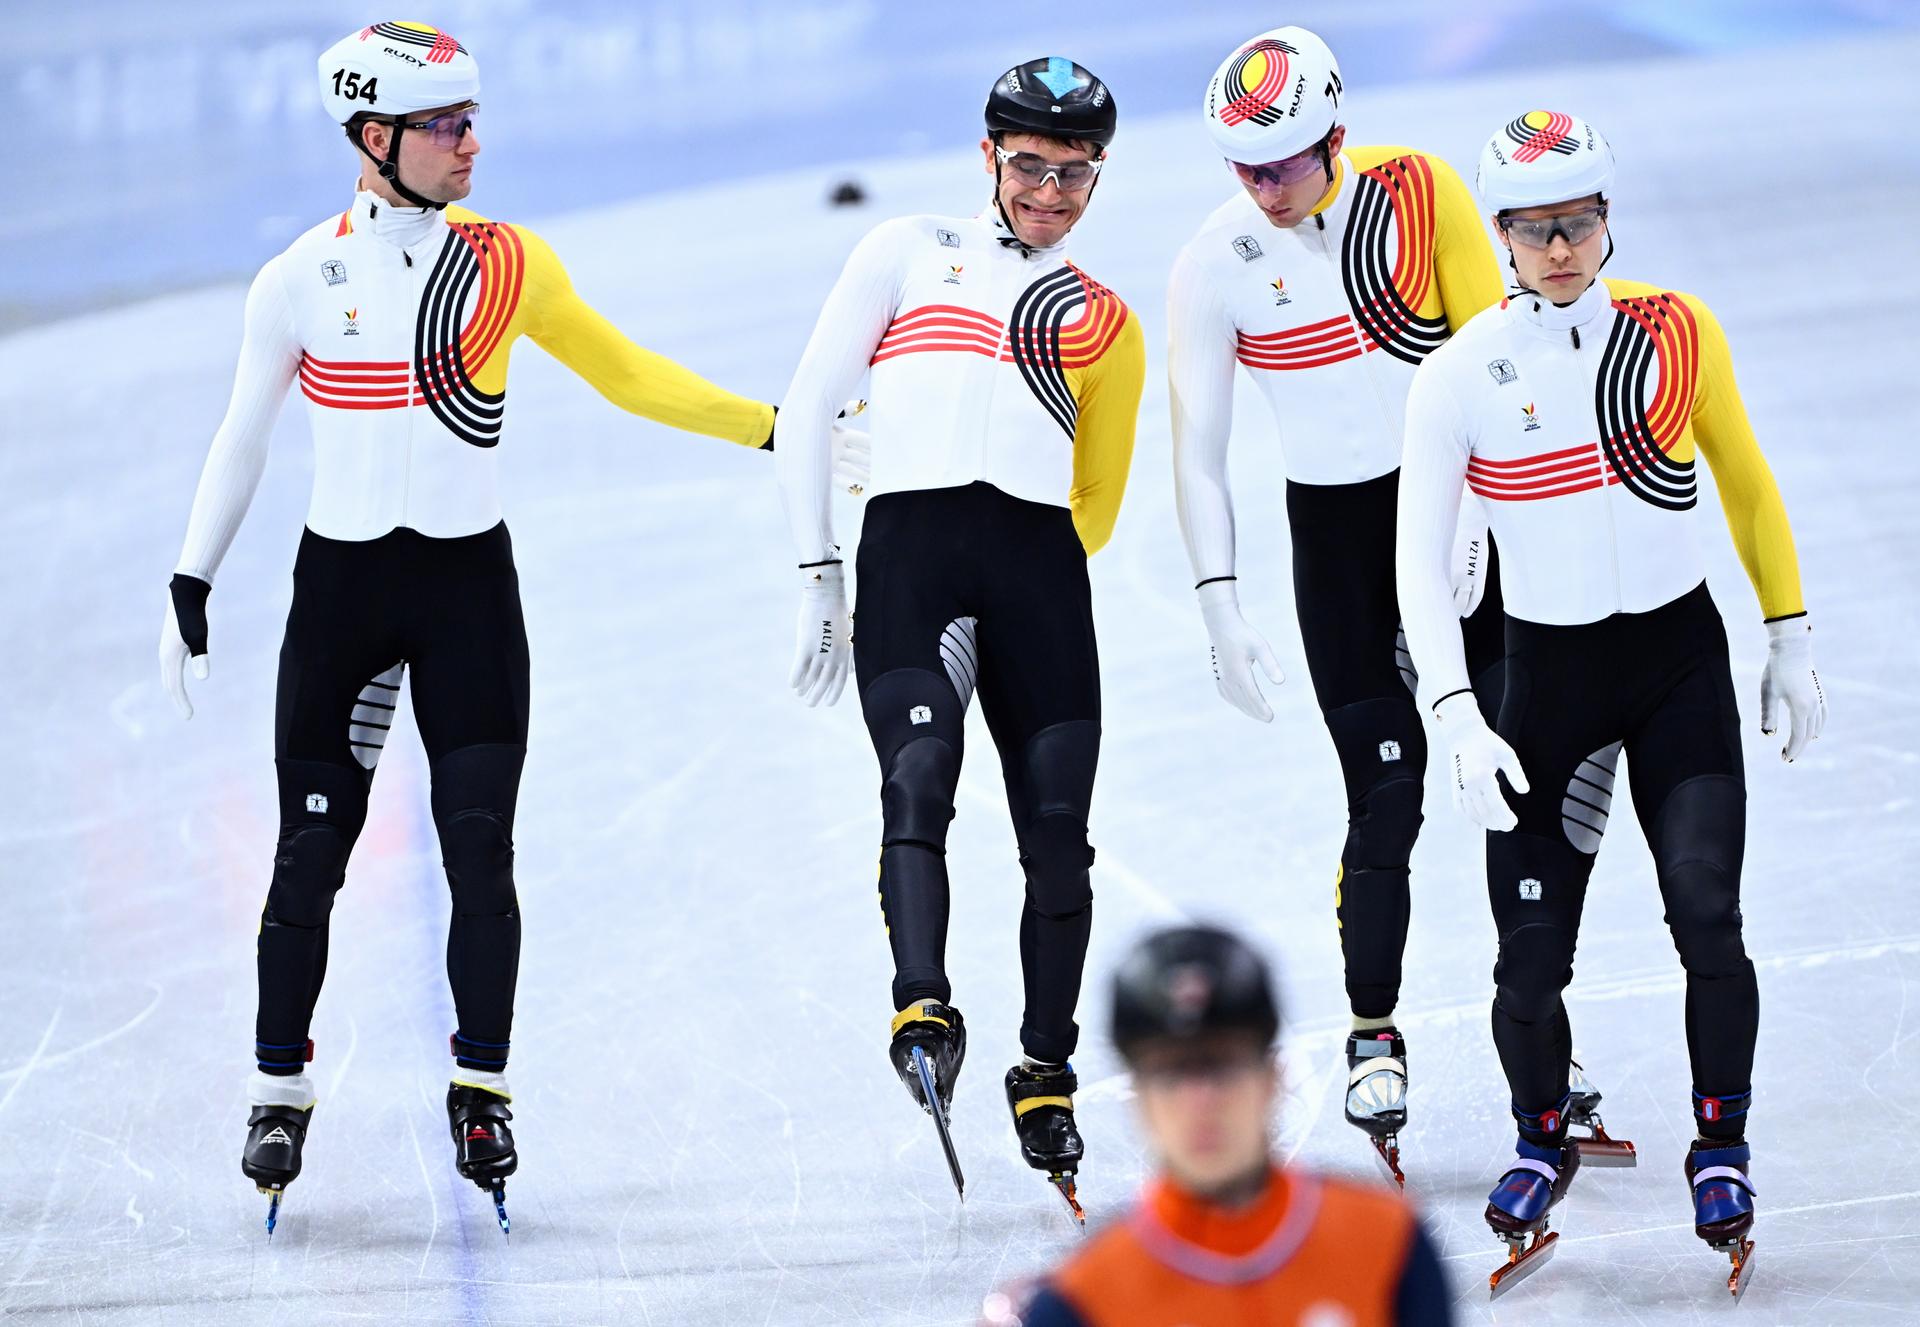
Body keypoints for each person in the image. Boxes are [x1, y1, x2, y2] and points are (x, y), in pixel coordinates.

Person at [159, 19, 859, 1235]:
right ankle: (279, 1087)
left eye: (473, 119)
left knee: (482, 854)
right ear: (374, 138)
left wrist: (774, 426)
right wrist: (190, 580)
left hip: (468, 598)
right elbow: (242, 436)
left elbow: (629, 374)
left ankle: (481, 1084)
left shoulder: (511, 265)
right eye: (445, 125)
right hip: (342, 602)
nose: (471, 142)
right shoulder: (296, 280)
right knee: (304, 863)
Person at [1395, 109, 1826, 1297]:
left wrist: (1786, 635)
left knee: (1708, 918)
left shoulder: (1676, 333)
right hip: (1546, 686)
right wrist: (1451, 708)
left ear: (1605, 218)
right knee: (1529, 968)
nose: (1562, 247)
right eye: (1535, 230)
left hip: (1676, 668)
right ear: (1502, 236)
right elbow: (1416, 567)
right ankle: (1541, 1133)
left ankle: (1721, 1144)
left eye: (1580, 222)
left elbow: (1742, 476)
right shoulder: (1458, 373)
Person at [774, 56, 1145, 1215]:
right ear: (988, 155)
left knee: (1059, 838)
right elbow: (808, 408)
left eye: (1074, 175)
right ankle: (923, 1003)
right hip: (912, 569)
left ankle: (1045, 1066)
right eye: (1029, 166)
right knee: (919, 778)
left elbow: (1101, 496)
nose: (1049, 192)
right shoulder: (903, 251)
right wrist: (819, 571)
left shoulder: (1105, 320)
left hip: (1040, 577)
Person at [1168, 24, 1536, 1180]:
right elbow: (1198, 452)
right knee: (1385, 795)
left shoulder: (1419, 197)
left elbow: (1497, 355)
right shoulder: (1212, 263)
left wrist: (1477, 516)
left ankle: (1540, 1036)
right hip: (1332, 547)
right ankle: (1375, 1028)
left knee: (1509, 785)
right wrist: (1220, 601)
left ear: (1337, 136)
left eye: (1278, 164)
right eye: (1240, 166)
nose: (1259, 187)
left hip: (1457, 524)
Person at [986, 924, 1452, 1325]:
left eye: (1222, 1066)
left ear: (1273, 1077)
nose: (1201, 1100)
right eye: (1171, 1074)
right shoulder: (1083, 1301)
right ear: (1139, 1098)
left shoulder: (1388, 1245)